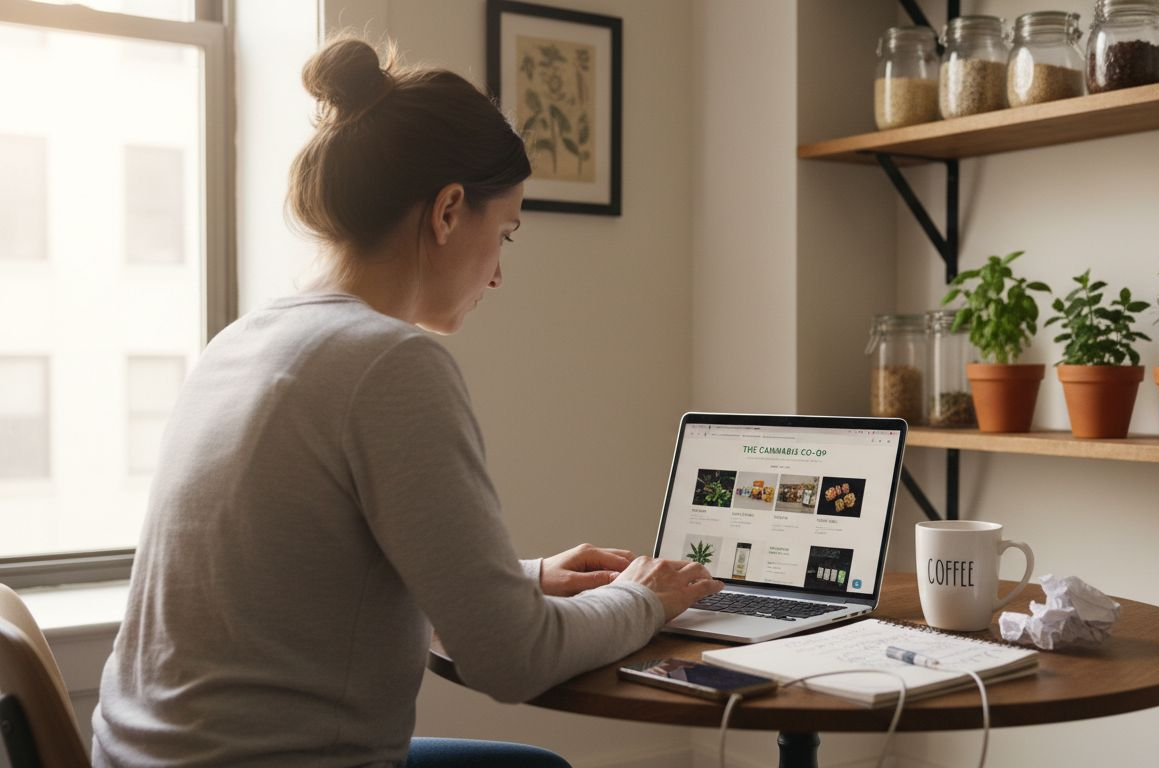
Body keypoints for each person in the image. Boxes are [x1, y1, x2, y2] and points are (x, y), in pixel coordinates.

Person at [91, 36, 722, 768]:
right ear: (449, 211)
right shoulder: (389, 362)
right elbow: (513, 658)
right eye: (505, 233)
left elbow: (311, 574)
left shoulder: (244, 340)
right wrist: (645, 596)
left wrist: (522, 578)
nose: (497, 275)